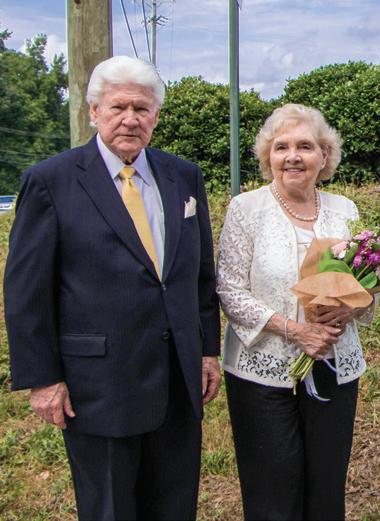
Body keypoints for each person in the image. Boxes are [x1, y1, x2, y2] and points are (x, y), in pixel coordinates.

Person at [4, 55, 220, 521]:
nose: (130, 119)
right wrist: (43, 379)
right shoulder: (50, 182)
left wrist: (206, 351)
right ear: (94, 111)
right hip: (98, 386)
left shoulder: (184, 176)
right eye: (119, 107)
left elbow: (200, 275)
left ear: (156, 116)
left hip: (177, 380)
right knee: (110, 508)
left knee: (175, 505)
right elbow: (26, 292)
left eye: (142, 109)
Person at [217, 103, 378, 520]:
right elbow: (230, 290)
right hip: (262, 371)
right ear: (268, 156)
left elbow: (365, 283)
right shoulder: (246, 209)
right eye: (281, 147)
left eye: (305, 147)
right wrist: (295, 330)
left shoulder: (344, 210)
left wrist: (350, 310)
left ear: (324, 156)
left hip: (333, 365)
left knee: (326, 486)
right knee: (273, 489)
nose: (293, 156)